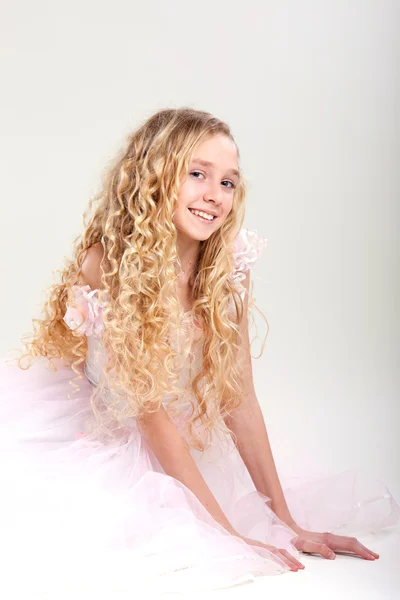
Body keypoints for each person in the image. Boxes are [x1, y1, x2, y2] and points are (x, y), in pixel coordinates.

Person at [0, 107, 398, 595]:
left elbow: (239, 397)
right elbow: (149, 415)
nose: (215, 195)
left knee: (259, 517)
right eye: (197, 174)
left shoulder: (228, 270)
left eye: (228, 182)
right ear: (155, 178)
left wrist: (288, 522)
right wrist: (226, 534)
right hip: (111, 432)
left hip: (182, 436)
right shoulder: (107, 266)